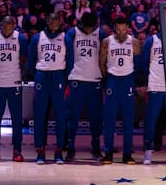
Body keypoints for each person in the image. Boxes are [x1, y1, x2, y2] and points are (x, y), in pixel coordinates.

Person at [28, 13, 73, 165]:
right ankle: (40, 149)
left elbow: (71, 61)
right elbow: (31, 60)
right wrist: (37, 75)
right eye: (51, 20)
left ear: (60, 22)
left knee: (60, 115)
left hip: (58, 76)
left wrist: (64, 78)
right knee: (40, 115)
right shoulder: (37, 38)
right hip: (42, 76)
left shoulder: (65, 38)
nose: (54, 23)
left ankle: (59, 149)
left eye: (57, 21)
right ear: (47, 21)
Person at [65, 12, 107, 162]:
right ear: (81, 24)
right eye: (87, 27)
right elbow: (67, 55)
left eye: (92, 27)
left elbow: (104, 56)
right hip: (76, 78)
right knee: (73, 116)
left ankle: (96, 147)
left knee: (96, 117)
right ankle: (70, 147)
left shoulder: (100, 33)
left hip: (95, 79)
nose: (89, 30)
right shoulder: (72, 33)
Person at [99, 17, 140, 164]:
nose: (121, 32)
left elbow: (138, 62)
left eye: (124, 29)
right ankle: (108, 152)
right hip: (113, 80)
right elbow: (101, 62)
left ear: (128, 27)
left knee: (128, 120)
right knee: (109, 120)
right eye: (118, 29)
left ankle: (127, 153)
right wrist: (107, 79)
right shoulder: (107, 41)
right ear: (114, 28)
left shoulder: (134, 42)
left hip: (127, 80)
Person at [0, 16, 28, 162]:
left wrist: (17, 73)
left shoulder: (21, 38)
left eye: (9, 25)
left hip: (14, 82)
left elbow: (23, 59)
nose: (5, 28)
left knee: (16, 119)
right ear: (0, 25)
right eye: (3, 25)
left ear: (14, 25)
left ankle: (17, 150)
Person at [141, 30, 166, 165]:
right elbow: (144, 63)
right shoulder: (152, 40)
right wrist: (146, 81)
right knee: (151, 121)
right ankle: (148, 151)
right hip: (155, 86)